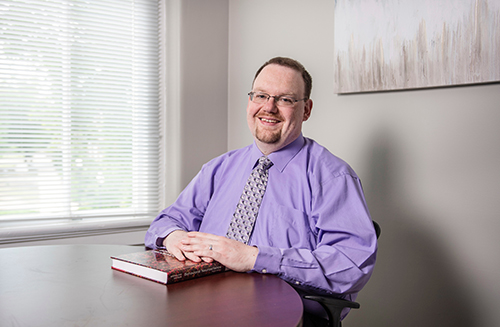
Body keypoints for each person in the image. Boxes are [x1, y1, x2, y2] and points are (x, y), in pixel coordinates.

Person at [145, 57, 377, 326]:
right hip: (204, 305)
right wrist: (174, 237)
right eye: (261, 95)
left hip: (283, 314)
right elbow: (165, 223)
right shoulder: (219, 168)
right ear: (250, 101)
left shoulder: (332, 177)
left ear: (306, 110)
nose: (269, 107)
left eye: (285, 99)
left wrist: (253, 257)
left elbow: (350, 264)